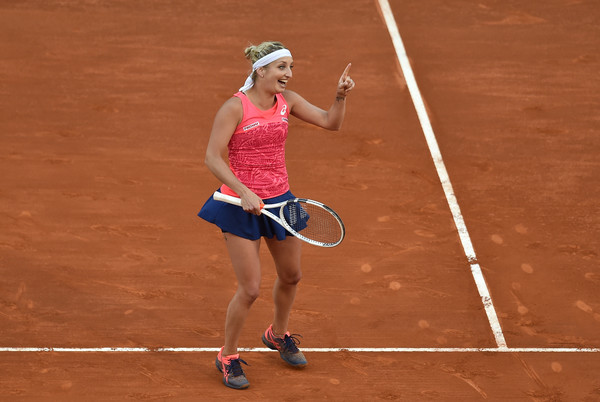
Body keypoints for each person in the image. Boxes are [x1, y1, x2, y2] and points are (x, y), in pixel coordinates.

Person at [198, 41, 355, 390]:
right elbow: (212, 157)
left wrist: (340, 97)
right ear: (261, 70)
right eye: (282, 67)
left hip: (281, 203)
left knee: (292, 275)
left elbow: (331, 123)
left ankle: (278, 334)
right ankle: (228, 356)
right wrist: (243, 191)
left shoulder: (289, 102)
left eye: (291, 67)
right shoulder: (234, 107)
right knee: (250, 288)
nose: (288, 74)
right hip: (239, 205)